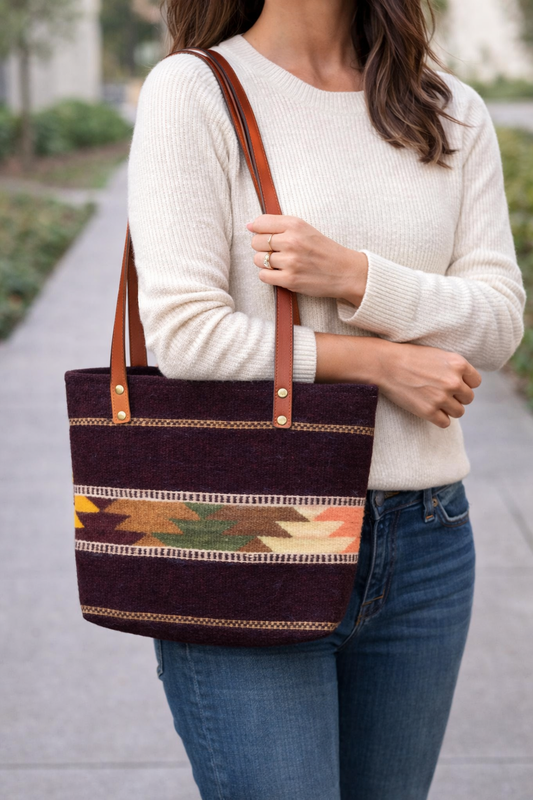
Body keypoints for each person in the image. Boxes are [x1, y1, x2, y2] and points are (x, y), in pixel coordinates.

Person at [127, 1, 526, 798]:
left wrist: (355, 277)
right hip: (245, 530)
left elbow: (497, 321)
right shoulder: (195, 90)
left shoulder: (447, 109)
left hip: (424, 541)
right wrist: (377, 361)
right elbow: (185, 336)